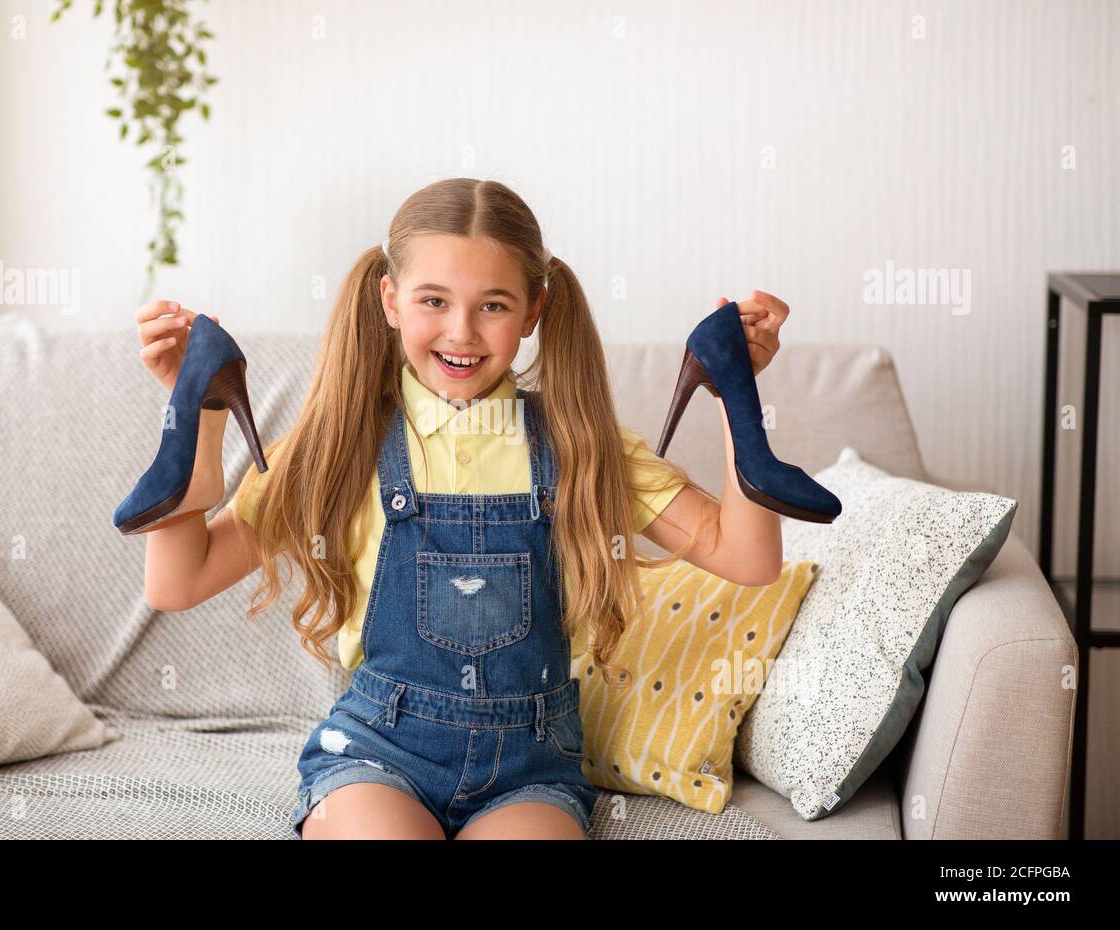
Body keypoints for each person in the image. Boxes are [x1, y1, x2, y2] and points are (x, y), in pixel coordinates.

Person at [132, 177, 787, 839]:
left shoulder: (582, 448)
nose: (462, 332)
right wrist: (201, 412)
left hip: (530, 772)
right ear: (391, 301)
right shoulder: (344, 443)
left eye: (493, 305)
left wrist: (739, 397)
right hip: (376, 756)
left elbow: (749, 557)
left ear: (534, 310)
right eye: (434, 301)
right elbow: (178, 580)